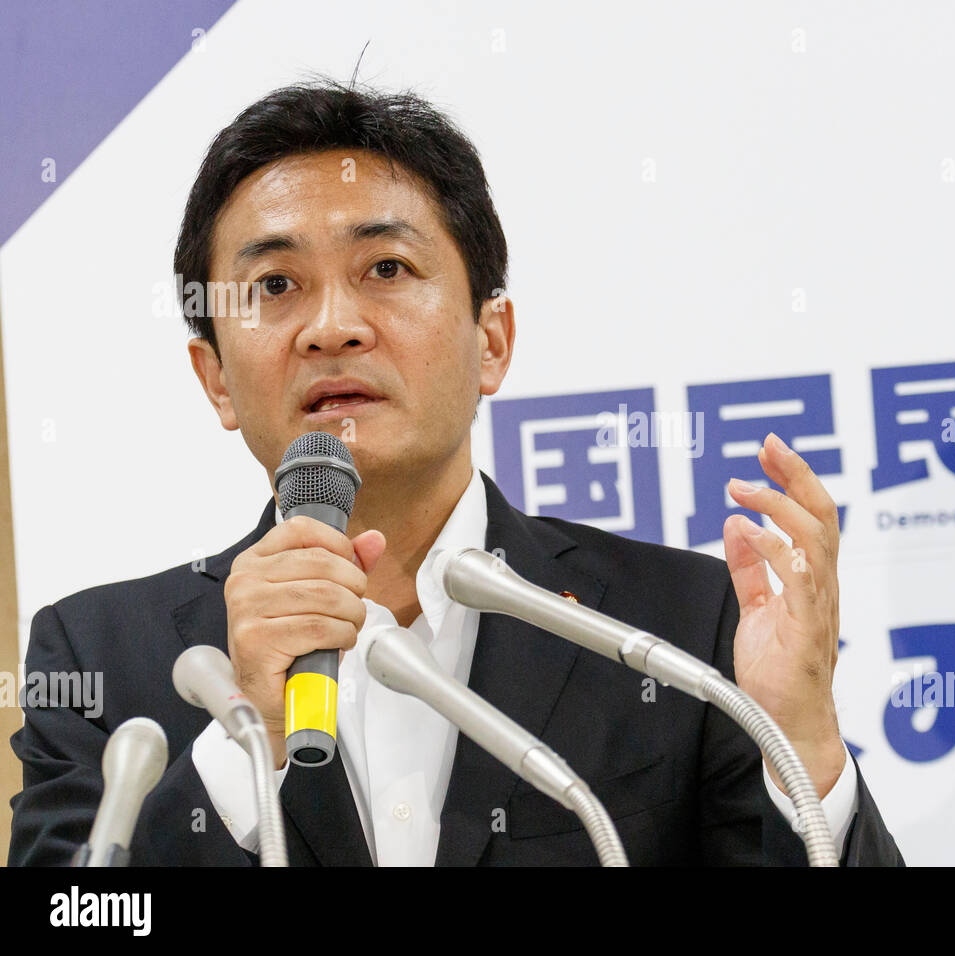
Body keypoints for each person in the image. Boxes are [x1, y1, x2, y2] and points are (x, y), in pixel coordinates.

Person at [9, 80, 903, 866]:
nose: (331, 327)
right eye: (275, 286)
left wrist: (802, 744)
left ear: (492, 342)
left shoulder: (678, 631)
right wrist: (250, 733)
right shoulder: (102, 659)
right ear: (216, 380)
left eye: (386, 268)